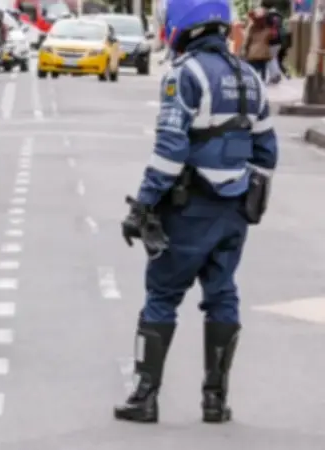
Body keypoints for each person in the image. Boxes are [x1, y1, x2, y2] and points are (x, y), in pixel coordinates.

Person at [114, 0, 278, 424]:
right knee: (222, 295)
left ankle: (145, 398)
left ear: (184, 24)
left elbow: (170, 151)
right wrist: (249, 196)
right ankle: (215, 401)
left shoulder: (184, 75)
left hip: (189, 209)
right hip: (234, 211)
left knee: (162, 297)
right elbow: (266, 149)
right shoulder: (249, 77)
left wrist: (145, 203)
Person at [243, 8, 272, 81]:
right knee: (263, 69)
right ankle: (263, 81)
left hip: (253, 54)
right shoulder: (267, 30)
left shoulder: (251, 29)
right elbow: (270, 39)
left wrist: (245, 51)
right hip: (263, 54)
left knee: (253, 71)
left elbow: (247, 41)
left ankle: (255, 82)